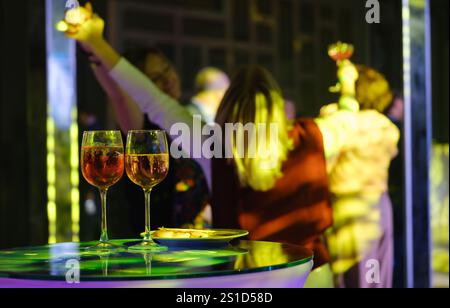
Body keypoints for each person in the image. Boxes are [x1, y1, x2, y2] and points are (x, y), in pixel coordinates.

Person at [60, 7, 341, 269]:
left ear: (227, 109)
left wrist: (95, 42)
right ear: (278, 107)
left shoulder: (212, 144)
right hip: (311, 273)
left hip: (250, 277)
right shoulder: (316, 134)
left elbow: (151, 99)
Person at [74, 7, 210, 232]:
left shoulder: (186, 121)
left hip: (192, 247)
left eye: (167, 69)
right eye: (154, 79)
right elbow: (118, 94)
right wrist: (94, 49)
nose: (167, 80)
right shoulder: (140, 126)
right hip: (151, 246)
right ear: (138, 87)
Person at [321, 64, 400, 288]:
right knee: (378, 275)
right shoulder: (387, 126)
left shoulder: (345, 121)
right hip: (380, 206)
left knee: (351, 278)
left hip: (350, 208)